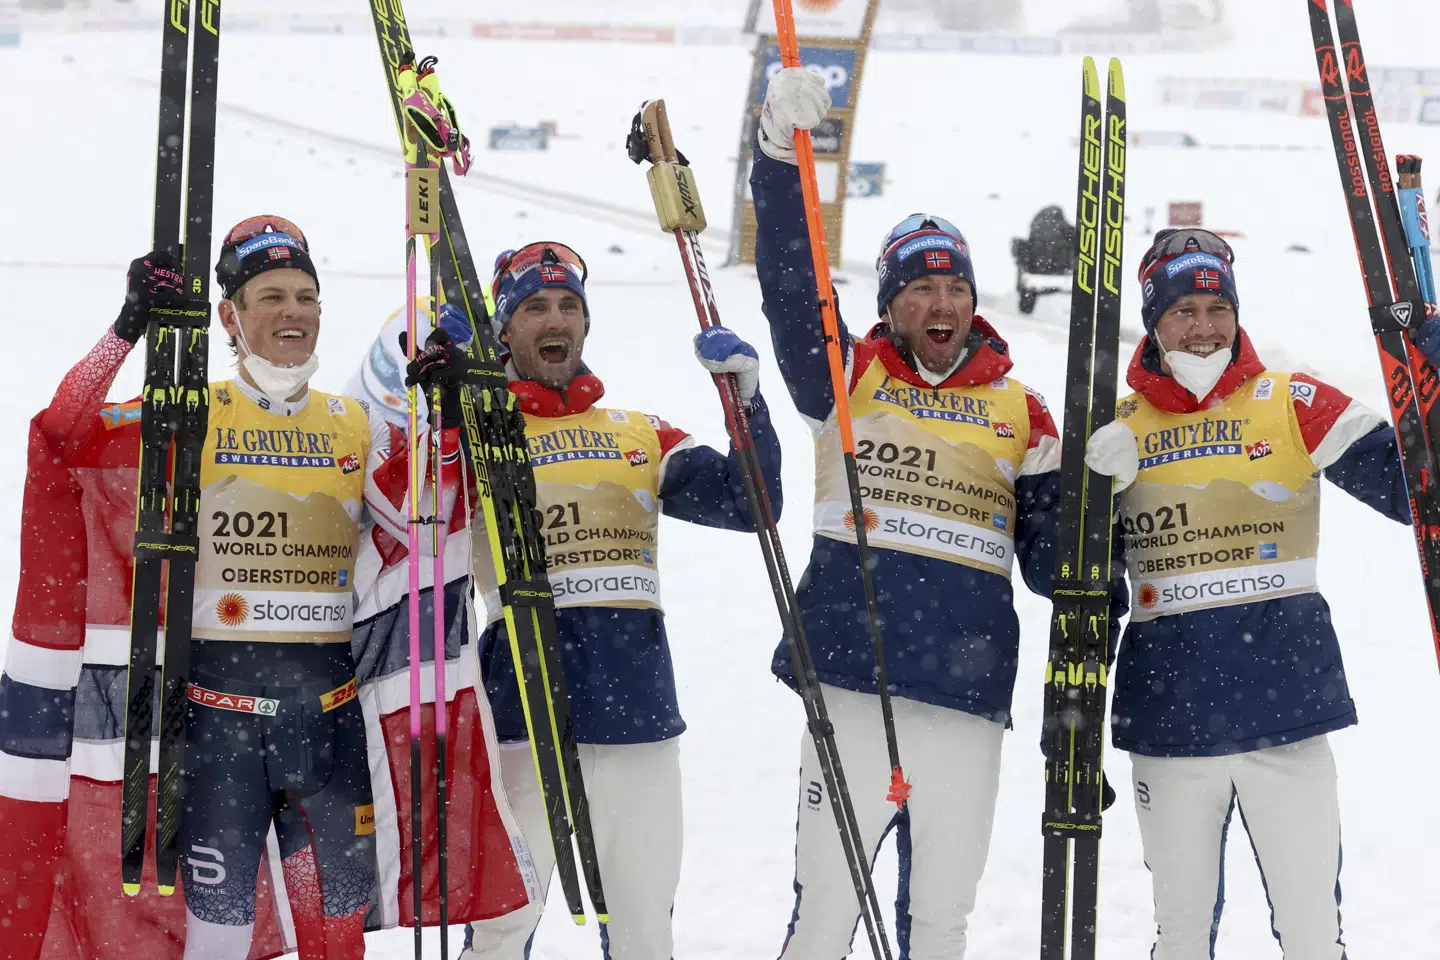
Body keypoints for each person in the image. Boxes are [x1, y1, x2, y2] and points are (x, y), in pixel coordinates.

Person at [0, 216, 530, 960]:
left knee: (336, 937)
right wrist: (125, 332)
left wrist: (441, 420)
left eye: (307, 296)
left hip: (327, 729)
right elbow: (62, 432)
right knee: (218, 938)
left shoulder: (353, 426)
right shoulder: (188, 416)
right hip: (218, 734)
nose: (293, 312)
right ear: (229, 316)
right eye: (271, 295)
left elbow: (427, 520)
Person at [751, 68, 1121, 958]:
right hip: (850, 677)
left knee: (941, 921)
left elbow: (1057, 568)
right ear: (890, 304)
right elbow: (793, 287)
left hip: (967, 694)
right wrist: (775, 159)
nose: (941, 303)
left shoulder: (1022, 411)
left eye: (955, 287)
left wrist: (1095, 501)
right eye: (919, 288)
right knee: (826, 915)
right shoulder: (846, 378)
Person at [400, 241, 782, 960]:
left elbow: (751, 504)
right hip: (521, 717)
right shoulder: (477, 433)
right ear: (504, 330)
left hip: (637, 719)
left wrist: (747, 405)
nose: (556, 319)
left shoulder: (637, 433)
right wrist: (438, 406)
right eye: (535, 307)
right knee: (501, 931)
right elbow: (411, 520)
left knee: (643, 934)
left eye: (569, 305)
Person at [1083, 228, 1439, 959]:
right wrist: (1089, 496)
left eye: (1219, 307)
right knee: (1180, 935)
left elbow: (1418, 489)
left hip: (1288, 719)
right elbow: (1075, 581)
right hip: (1172, 725)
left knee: (1313, 933)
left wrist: (1427, 372)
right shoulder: (1117, 426)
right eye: (1184, 309)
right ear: (1154, 320)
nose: (1205, 327)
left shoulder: (1292, 399)